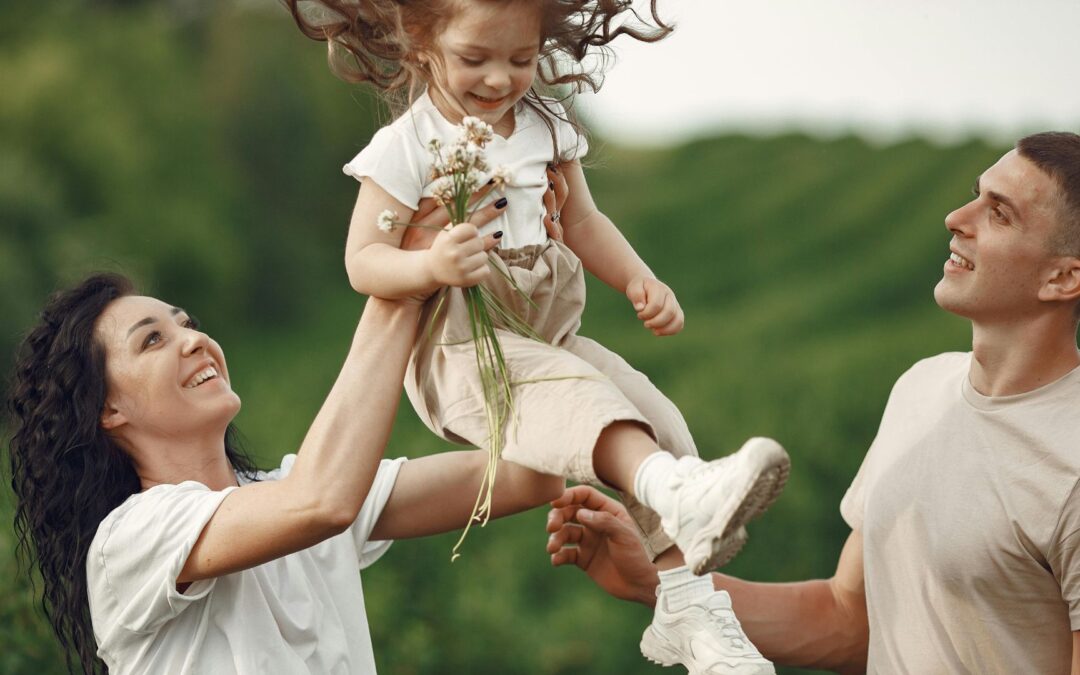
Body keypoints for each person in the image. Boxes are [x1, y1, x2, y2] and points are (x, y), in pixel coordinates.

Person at [285, 1, 789, 671]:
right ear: (423, 43)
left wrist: (639, 279)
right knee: (588, 402)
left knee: (653, 414)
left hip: (547, 334)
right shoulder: (407, 145)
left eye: (520, 60)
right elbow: (362, 261)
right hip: (462, 352)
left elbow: (582, 221)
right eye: (475, 59)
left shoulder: (546, 124)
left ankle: (689, 610)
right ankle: (676, 492)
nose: (499, 79)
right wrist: (430, 263)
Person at [545, 131, 1080, 674]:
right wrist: (655, 579)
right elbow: (847, 621)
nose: (956, 218)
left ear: (1063, 277)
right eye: (975, 194)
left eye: (999, 214)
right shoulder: (921, 390)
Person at [5, 200, 565, 675]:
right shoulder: (130, 540)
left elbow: (528, 474)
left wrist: (538, 287)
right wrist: (402, 279)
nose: (193, 340)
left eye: (186, 323)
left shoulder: (292, 492)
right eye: (152, 341)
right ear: (107, 408)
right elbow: (322, 501)